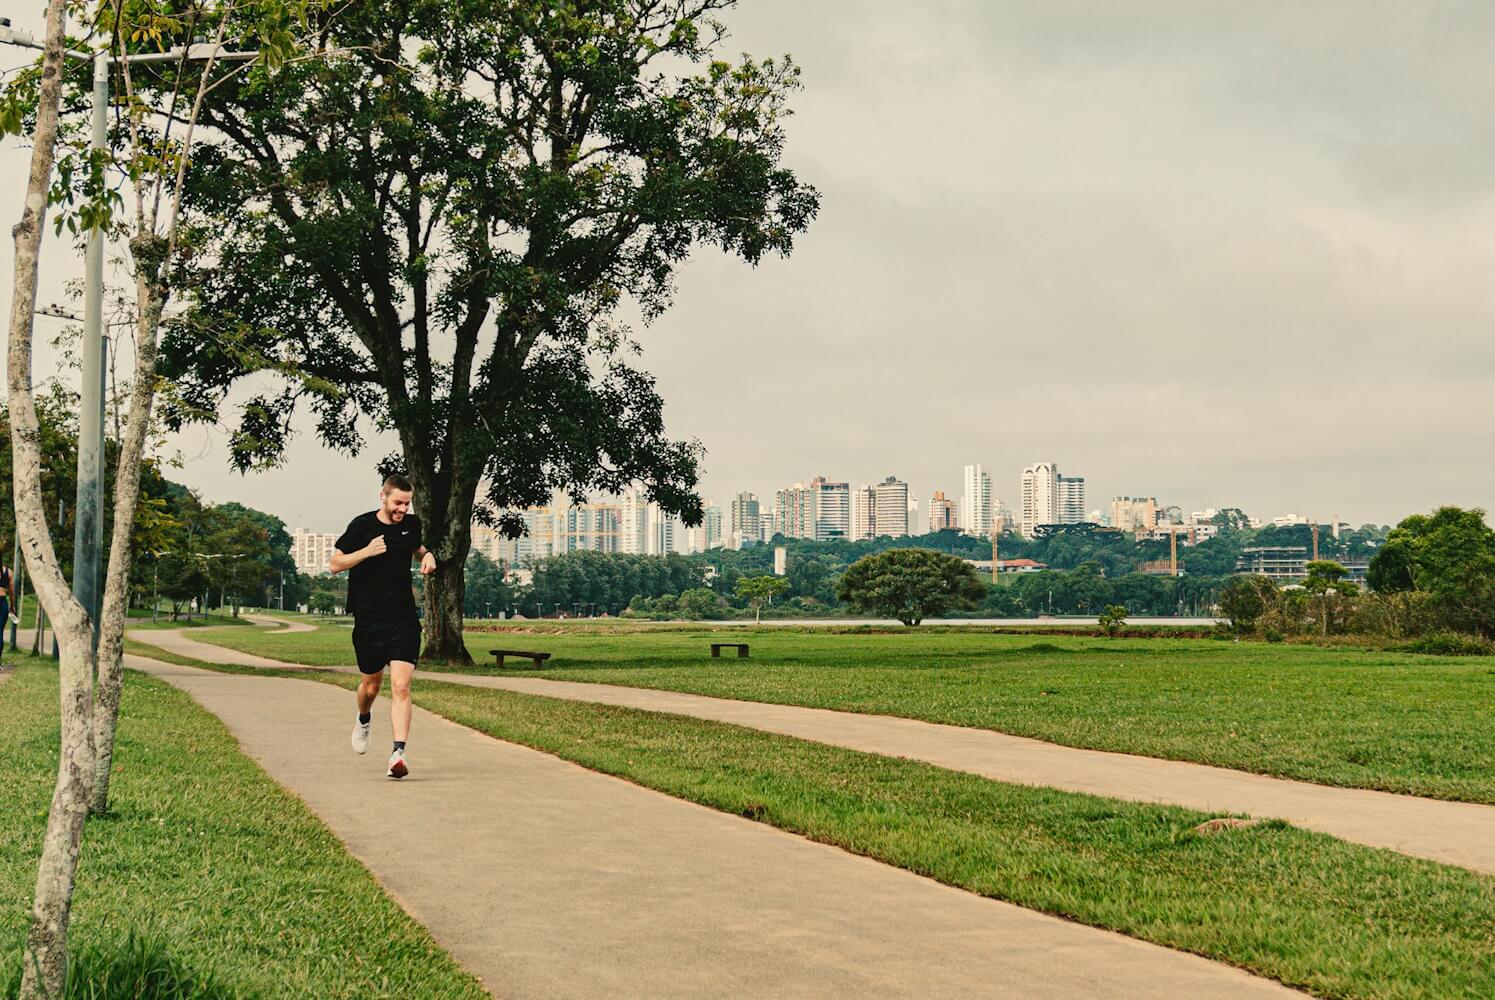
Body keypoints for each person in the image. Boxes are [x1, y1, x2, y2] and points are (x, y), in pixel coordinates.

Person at [330, 475, 436, 778]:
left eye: (407, 503)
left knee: (401, 686)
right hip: (369, 618)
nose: (403, 508)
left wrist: (426, 555)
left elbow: (416, 547)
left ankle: (397, 753)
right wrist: (366, 552)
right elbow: (334, 564)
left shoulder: (411, 524)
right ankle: (364, 718)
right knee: (371, 686)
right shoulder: (362, 526)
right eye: (397, 503)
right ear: (383, 497)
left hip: (403, 618)